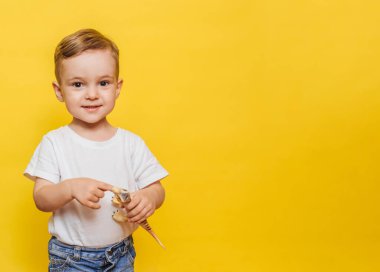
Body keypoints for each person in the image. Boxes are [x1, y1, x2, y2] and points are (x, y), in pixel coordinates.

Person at [23, 28, 169, 271]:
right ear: (60, 91)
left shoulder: (130, 143)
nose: (92, 94)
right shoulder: (54, 143)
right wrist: (69, 188)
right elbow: (41, 198)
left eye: (103, 83)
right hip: (72, 258)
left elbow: (156, 188)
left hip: (121, 253)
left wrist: (149, 198)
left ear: (117, 87)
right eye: (78, 84)